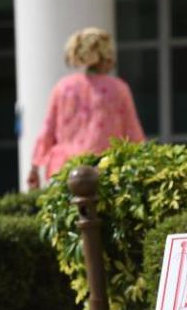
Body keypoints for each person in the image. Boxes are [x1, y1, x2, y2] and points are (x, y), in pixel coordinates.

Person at [28, 27, 145, 189]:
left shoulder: (62, 87)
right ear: (106, 57)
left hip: (64, 171)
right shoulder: (118, 88)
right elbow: (133, 132)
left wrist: (34, 167)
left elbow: (48, 130)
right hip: (104, 171)